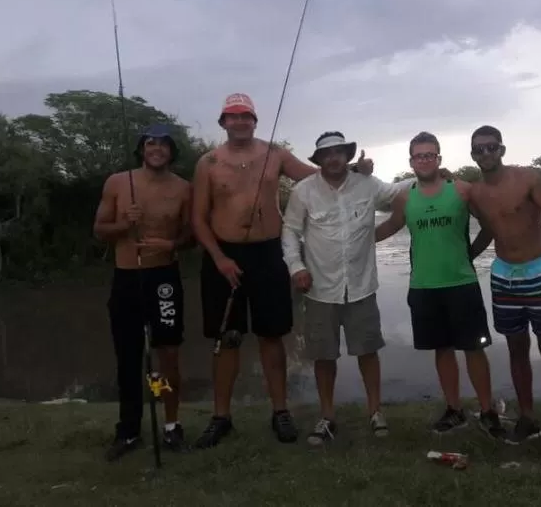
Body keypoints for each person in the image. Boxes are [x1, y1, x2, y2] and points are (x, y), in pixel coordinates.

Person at [191, 94, 374, 448]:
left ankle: (280, 411)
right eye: (233, 116)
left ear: (255, 121)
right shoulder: (208, 162)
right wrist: (218, 257)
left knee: (272, 336)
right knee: (226, 337)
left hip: (268, 252)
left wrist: (356, 170)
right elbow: (197, 218)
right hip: (224, 256)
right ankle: (221, 416)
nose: (240, 122)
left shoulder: (275, 154)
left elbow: (321, 176)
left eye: (246, 116)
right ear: (223, 122)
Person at [373, 131, 506, 440]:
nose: (424, 160)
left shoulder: (461, 190)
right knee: (442, 350)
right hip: (423, 287)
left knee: (474, 348)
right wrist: (353, 240)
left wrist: (470, 253)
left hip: (462, 283)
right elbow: (390, 226)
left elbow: (489, 225)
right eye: (419, 156)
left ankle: (487, 411)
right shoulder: (406, 197)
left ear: (439, 158)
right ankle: (454, 409)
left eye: (430, 155)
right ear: (411, 162)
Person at [281, 131, 411, 446]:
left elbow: (399, 193)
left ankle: (375, 411)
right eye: (327, 153)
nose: (334, 158)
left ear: (348, 155)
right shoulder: (303, 191)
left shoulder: (368, 184)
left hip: (362, 287)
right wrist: (296, 268)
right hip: (319, 289)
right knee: (324, 356)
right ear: (319, 159)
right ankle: (327, 416)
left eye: (339, 152)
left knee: (368, 351)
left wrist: (434, 176)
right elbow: (290, 232)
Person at [465, 124, 541, 458]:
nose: (486, 153)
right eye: (479, 149)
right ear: (473, 155)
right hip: (503, 276)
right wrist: (466, 258)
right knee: (516, 350)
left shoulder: (528, 179)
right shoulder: (474, 193)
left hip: (540, 272)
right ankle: (528, 419)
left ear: (502, 149)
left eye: (492, 147)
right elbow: (489, 231)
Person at [92, 124, 194, 461]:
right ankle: (129, 429)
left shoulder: (183, 188)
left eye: (164, 145)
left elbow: (191, 237)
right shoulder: (118, 182)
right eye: (151, 143)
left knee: (168, 354)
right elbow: (100, 230)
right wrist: (124, 223)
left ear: (171, 152)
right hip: (126, 277)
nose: (157, 149)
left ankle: (172, 424)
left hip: (164, 278)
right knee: (128, 356)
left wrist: (172, 243)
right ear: (142, 149)